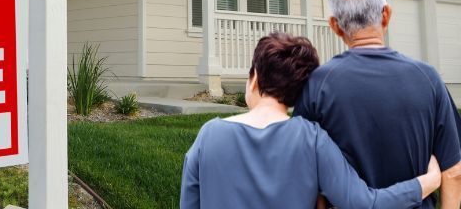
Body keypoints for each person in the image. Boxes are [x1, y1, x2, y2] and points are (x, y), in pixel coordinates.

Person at [180, 32, 441, 208]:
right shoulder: (312, 139)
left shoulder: (209, 135)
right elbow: (365, 203)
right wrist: (426, 182)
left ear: (255, 78)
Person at [294, 0, 461, 208]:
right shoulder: (428, 79)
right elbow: (453, 172)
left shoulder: (316, 85)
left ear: (335, 25)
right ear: (386, 14)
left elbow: (307, 176)